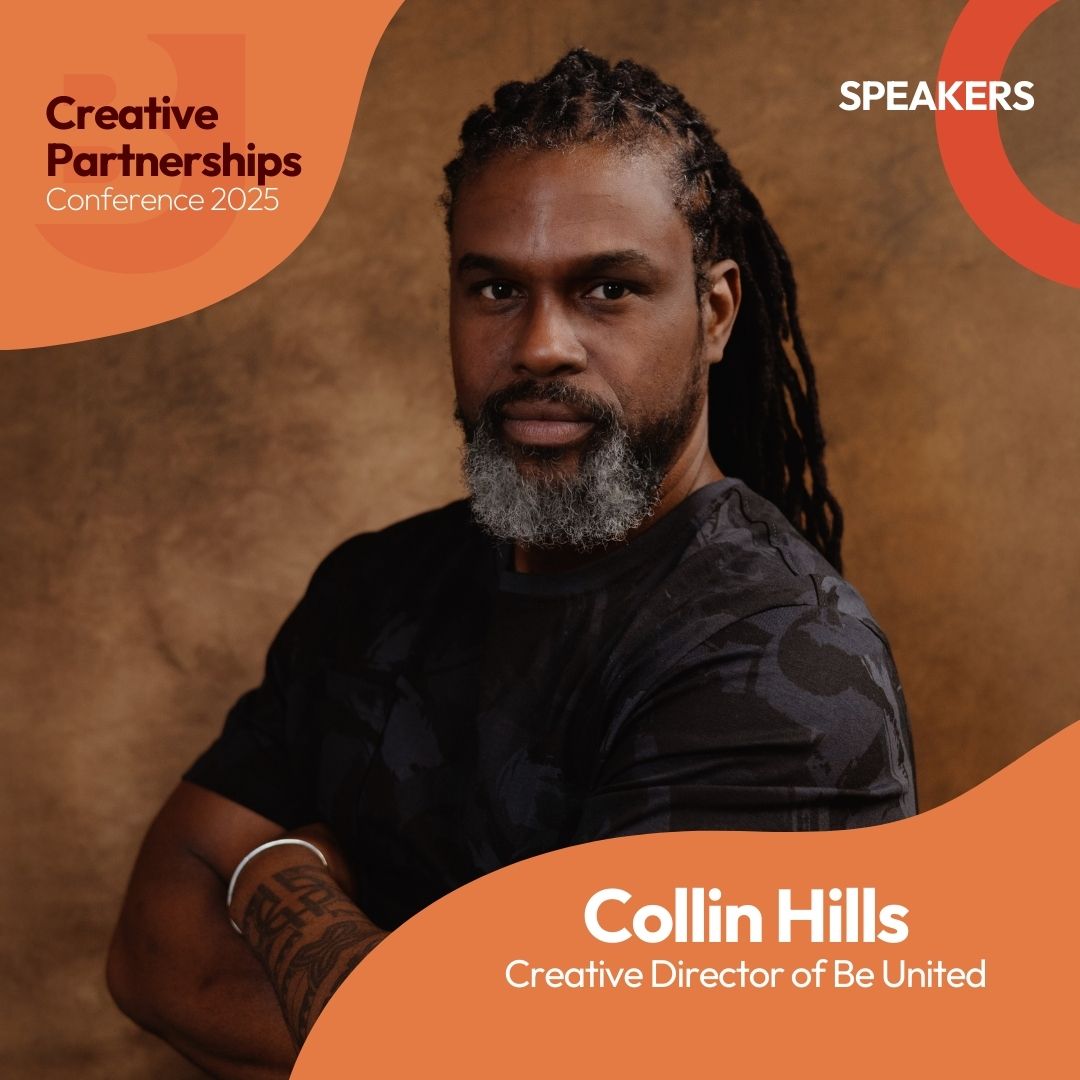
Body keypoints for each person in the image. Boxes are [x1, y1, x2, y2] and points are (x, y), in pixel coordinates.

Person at [106, 49, 916, 1077]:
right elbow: (150, 952)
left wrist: (272, 877)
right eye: (495, 287)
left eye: (608, 290)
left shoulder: (784, 668)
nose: (539, 345)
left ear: (714, 313)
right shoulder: (376, 587)